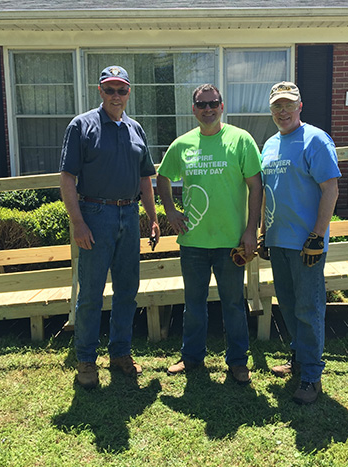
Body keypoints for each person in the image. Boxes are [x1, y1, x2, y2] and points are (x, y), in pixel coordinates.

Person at [60, 65, 159, 389]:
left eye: (122, 89)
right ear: (100, 91)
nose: (116, 95)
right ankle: (86, 361)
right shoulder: (82, 126)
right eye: (110, 89)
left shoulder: (135, 129)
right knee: (90, 294)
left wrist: (153, 217)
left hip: (129, 216)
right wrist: (78, 223)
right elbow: (67, 178)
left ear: (129, 92)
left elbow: (146, 177)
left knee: (127, 291)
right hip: (95, 215)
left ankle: (120, 354)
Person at [156, 84, 263, 385]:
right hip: (194, 242)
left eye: (213, 103)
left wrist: (250, 230)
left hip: (231, 242)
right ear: (194, 109)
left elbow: (256, 187)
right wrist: (170, 212)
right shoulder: (182, 145)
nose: (208, 109)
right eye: (201, 104)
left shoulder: (241, 141)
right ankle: (191, 357)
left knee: (232, 304)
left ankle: (238, 362)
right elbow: (162, 177)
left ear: (222, 106)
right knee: (194, 304)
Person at [260, 81, 340, 405]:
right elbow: (268, 193)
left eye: (288, 104)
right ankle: (298, 359)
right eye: (277, 105)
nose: (282, 111)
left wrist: (318, 236)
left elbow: (330, 190)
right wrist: (265, 232)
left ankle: (311, 376)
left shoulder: (315, 140)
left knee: (309, 308)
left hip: (307, 243)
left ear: (300, 106)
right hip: (279, 240)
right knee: (290, 306)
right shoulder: (268, 145)